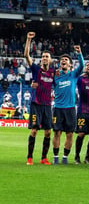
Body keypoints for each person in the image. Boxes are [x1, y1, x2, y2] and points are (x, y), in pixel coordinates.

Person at [24, 32, 54, 165]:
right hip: (36, 104)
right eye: (43, 56)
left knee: (48, 132)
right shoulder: (36, 69)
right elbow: (26, 56)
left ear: (51, 60)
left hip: (47, 105)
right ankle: (29, 157)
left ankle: (44, 158)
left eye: (47, 56)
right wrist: (28, 40)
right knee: (34, 130)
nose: (44, 58)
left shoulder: (54, 73)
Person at [52, 46, 84, 165]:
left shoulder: (73, 75)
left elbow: (82, 66)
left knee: (69, 134)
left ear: (70, 64)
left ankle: (65, 157)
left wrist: (79, 53)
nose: (63, 61)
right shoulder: (55, 76)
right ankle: (55, 156)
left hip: (70, 109)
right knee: (56, 132)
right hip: (58, 108)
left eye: (66, 60)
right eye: (62, 60)